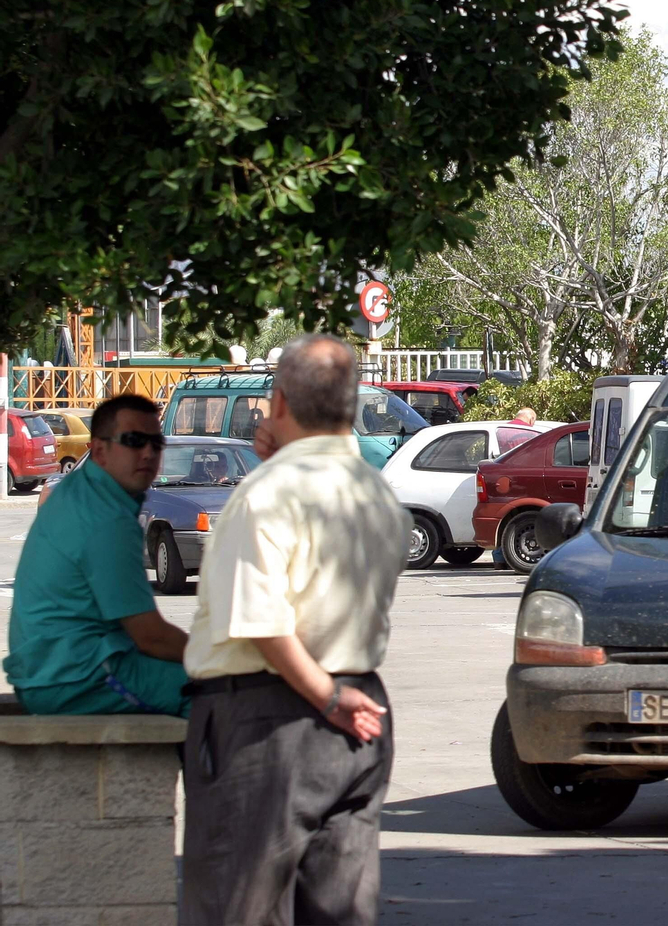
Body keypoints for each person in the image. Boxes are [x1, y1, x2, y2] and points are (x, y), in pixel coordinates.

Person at [180, 334, 409, 926]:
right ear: (351, 406)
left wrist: (325, 696)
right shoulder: (378, 495)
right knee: (339, 910)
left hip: (268, 719)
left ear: (277, 403)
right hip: (360, 713)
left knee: (241, 906)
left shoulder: (267, 495)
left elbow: (264, 624)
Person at [3, 394, 190, 715]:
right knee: (225, 693)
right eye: (134, 441)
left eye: (156, 443)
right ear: (100, 450)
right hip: (77, 678)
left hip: (57, 670)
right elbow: (150, 636)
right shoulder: (104, 515)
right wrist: (218, 657)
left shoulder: (80, 493)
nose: (148, 452)